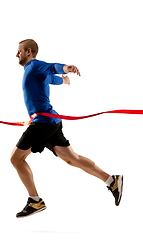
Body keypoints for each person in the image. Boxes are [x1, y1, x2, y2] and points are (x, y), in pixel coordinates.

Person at [11, 39, 123, 218]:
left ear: (29, 52)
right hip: (51, 122)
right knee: (73, 159)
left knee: (16, 159)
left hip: (42, 123)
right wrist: (64, 80)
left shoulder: (34, 66)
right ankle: (112, 180)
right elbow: (52, 78)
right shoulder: (34, 72)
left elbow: (52, 67)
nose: (16, 54)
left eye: (19, 51)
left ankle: (35, 200)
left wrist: (66, 68)